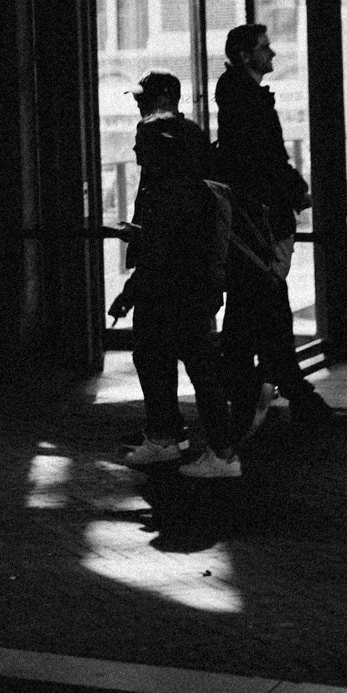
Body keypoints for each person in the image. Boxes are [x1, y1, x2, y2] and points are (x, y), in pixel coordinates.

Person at [213, 24, 343, 436]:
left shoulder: (238, 95)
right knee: (265, 306)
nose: (273, 55)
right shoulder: (245, 99)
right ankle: (283, 392)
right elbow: (262, 158)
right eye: (265, 49)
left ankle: (263, 391)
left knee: (252, 310)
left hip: (255, 219)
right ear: (244, 54)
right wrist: (294, 189)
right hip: (260, 221)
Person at [107, 75, 238, 478]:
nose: (134, 148)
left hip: (174, 284)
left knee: (184, 361)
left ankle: (214, 451)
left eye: (141, 143)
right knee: (173, 357)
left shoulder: (167, 183)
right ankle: (185, 442)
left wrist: (133, 286)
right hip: (190, 282)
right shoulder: (188, 175)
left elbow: (162, 245)